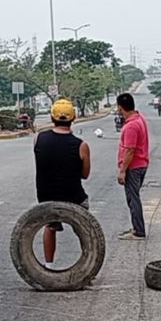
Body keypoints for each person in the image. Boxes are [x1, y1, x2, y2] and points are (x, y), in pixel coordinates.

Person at [33, 99, 91, 269]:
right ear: (73, 118)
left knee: (50, 227)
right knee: (85, 228)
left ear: (52, 117)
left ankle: (48, 265)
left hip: (46, 196)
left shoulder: (38, 139)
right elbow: (85, 175)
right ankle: (88, 264)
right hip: (73, 197)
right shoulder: (81, 145)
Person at [116, 92, 150, 240]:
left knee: (133, 199)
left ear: (120, 107)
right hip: (141, 164)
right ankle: (136, 227)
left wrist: (123, 171)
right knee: (133, 197)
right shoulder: (139, 118)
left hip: (134, 167)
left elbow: (130, 150)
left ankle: (139, 231)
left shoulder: (131, 126)